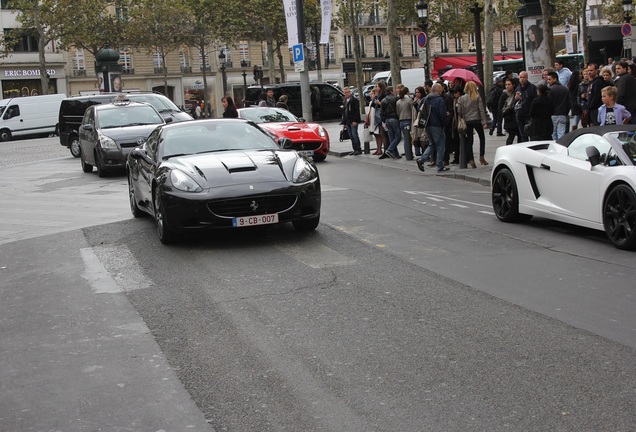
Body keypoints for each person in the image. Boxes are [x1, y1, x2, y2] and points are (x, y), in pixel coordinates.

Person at [415, 83, 450, 172]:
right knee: (440, 145)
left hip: (427, 124)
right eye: (441, 89)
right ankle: (439, 166)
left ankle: (422, 159)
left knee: (432, 144)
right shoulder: (440, 100)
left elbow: (419, 108)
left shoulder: (425, 99)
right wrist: (446, 122)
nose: (442, 90)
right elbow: (442, 114)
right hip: (437, 125)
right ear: (438, 90)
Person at [457, 81, 489, 168]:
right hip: (477, 120)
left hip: (467, 121)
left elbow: (459, 111)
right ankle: (481, 156)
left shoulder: (462, 98)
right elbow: (481, 110)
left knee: (469, 141)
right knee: (482, 138)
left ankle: (471, 160)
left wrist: (463, 116)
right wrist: (484, 122)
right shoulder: (477, 96)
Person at [546, 71, 570, 140]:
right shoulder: (565, 89)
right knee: (561, 133)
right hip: (562, 114)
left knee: (553, 134)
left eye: (549, 79)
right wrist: (566, 112)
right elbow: (568, 103)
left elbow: (549, 102)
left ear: (555, 79)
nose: (548, 81)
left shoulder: (550, 90)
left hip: (553, 114)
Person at [514, 71, 537, 142]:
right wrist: (516, 99)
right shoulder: (518, 88)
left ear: (527, 78)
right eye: (520, 77)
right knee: (523, 135)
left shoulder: (532, 87)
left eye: (524, 77)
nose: (522, 79)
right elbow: (514, 103)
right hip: (520, 114)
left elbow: (535, 100)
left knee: (532, 133)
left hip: (529, 114)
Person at [379, 86, 401, 159]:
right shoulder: (395, 98)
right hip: (394, 118)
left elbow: (382, 112)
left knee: (391, 137)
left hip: (387, 120)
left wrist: (383, 121)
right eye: (393, 90)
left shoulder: (383, 100)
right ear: (391, 91)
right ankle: (389, 150)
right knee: (398, 136)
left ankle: (396, 154)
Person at [341, 86, 362, 155]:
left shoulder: (354, 100)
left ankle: (358, 149)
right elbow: (344, 112)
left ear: (350, 92)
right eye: (345, 93)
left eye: (347, 92)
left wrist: (355, 120)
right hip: (347, 120)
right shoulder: (344, 100)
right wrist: (344, 122)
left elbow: (356, 111)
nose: (346, 94)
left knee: (354, 134)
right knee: (351, 136)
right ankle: (355, 149)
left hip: (353, 120)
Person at [500, 78, 520, 145]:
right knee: (511, 136)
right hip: (509, 118)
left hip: (516, 117)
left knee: (520, 135)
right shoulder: (504, 94)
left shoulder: (516, 93)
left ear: (513, 85)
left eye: (509, 84)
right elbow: (500, 107)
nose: (507, 86)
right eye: (506, 85)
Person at [396, 86, 414, 160]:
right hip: (408, 119)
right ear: (407, 92)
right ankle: (409, 155)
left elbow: (398, 112)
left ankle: (408, 154)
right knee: (408, 139)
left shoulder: (398, 102)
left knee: (406, 138)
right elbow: (413, 110)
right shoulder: (409, 100)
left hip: (401, 120)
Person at [411, 86, 426, 157]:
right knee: (416, 136)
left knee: (422, 137)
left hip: (420, 121)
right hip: (415, 121)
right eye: (416, 92)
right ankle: (417, 151)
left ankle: (424, 152)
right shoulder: (415, 100)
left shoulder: (423, 100)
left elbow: (421, 111)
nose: (417, 94)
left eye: (418, 92)